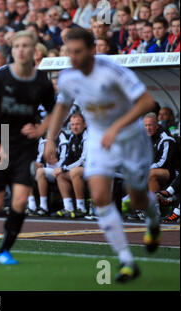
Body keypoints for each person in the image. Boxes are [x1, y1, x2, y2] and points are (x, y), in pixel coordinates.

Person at [44, 28, 160, 283]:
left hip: (130, 137)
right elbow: (62, 104)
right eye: (69, 52)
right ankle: (127, 261)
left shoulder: (112, 70)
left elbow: (146, 102)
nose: (73, 57)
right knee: (98, 196)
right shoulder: (67, 77)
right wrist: (50, 138)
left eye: (78, 52)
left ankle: (153, 219)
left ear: (92, 50)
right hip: (99, 137)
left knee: (138, 198)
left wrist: (117, 127)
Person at [0, 30, 56, 265]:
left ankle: (3, 251)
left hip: (25, 146)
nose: (22, 50)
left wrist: (43, 130)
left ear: (35, 50)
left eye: (26, 46)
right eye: (17, 46)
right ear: (12, 50)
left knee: (20, 200)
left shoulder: (41, 81)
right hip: (0, 140)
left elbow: (55, 111)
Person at [51, 113, 88, 218]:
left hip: (95, 169)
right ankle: (68, 208)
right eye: (72, 125)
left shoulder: (88, 137)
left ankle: (81, 208)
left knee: (74, 171)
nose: (75, 127)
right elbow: (68, 158)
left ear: (84, 124)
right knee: (60, 175)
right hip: (81, 170)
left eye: (77, 124)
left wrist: (63, 168)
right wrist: (61, 168)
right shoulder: (72, 137)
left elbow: (83, 160)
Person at [143, 112, 177, 193]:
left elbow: (163, 162)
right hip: (156, 167)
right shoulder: (146, 137)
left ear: (157, 125)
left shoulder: (166, 139)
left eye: (150, 125)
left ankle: (155, 203)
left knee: (151, 173)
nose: (148, 128)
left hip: (171, 171)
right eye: (145, 125)